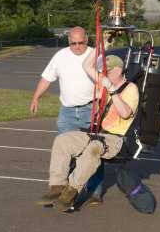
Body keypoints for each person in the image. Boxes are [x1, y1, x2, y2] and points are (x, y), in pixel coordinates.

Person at [34, 50, 139, 212]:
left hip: (117, 139)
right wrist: (100, 47)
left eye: (108, 72)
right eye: (103, 72)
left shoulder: (131, 89)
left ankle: (72, 191)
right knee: (62, 140)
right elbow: (86, 66)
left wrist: (111, 89)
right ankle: (56, 187)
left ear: (119, 70)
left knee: (94, 148)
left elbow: (125, 113)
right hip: (97, 134)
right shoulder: (104, 82)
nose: (104, 75)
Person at [30, 26, 104, 203]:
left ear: (87, 41)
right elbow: (47, 78)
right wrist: (35, 97)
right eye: (73, 43)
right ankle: (68, 190)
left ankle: (95, 190)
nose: (77, 46)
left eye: (81, 43)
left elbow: (106, 81)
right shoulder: (60, 56)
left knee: (93, 151)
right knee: (65, 152)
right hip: (67, 112)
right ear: (68, 42)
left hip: (90, 109)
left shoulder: (96, 56)